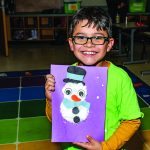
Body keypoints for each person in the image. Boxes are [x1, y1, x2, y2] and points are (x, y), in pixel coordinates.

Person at [45, 6, 143, 150]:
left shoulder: (120, 78)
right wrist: (51, 100)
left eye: (97, 37)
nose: (89, 44)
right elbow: (57, 120)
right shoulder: (63, 76)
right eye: (81, 37)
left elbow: (132, 120)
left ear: (109, 44)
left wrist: (106, 147)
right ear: (71, 43)